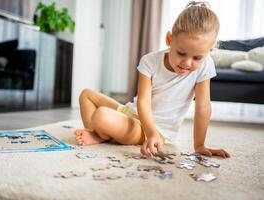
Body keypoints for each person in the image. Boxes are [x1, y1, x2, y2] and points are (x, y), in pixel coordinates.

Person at [74, 1, 230, 158]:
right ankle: (97, 133)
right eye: (181, 53)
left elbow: (203, 107)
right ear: (169, 39)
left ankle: (101, 133)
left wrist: (199, 145)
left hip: (151, 130)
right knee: (86, 94)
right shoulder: (149, 61)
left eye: (197, 57)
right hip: (133, 112)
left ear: (209, 51)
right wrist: (141, 125)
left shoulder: (205, 66)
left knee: (101, 115)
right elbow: (143, 101)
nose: (187, 63)